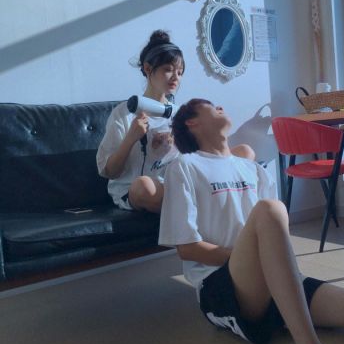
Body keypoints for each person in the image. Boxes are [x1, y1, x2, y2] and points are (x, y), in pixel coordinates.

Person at [158, 98, 344, 344]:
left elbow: (274, 236)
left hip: (275, 281)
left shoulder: (252, 168)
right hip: (221, 285)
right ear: (191, 122)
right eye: (211, 106)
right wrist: (260, 261)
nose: (220, 107)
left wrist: (274, 267)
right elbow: (188, 249)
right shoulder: (185, 166)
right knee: (270, 209)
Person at [97, 31, 254, 213]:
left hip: (181, 183)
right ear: (148, 69)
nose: (176, 77)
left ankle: (203, 206)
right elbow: (109, 172)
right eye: (168, 69)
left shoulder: (180, 114)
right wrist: (131, 138)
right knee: (143, 186)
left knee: (245, 153)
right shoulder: (124, 113)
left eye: (180, 72)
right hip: (144, 189)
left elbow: (201, 156)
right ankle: (207, 207)